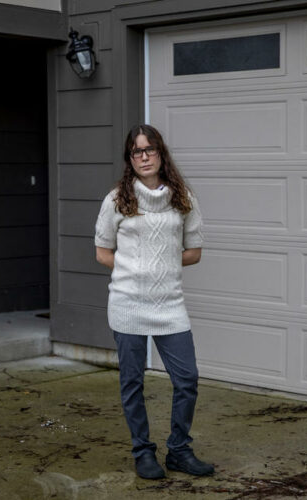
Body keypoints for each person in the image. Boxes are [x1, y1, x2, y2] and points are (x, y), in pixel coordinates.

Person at [94, 124, 214, 480]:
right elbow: (103, 254)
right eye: (136, 151)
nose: (143, 157)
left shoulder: (184, 198)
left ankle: (178, 450)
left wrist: (159, 266)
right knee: (132, 382)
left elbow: (193, 253)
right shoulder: (116, 199)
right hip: (128, 302)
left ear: (161, 154)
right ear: (129, 160)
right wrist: (138, 269)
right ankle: (142, 452)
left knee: (187, 379)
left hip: (169, 304)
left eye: (149, 150)